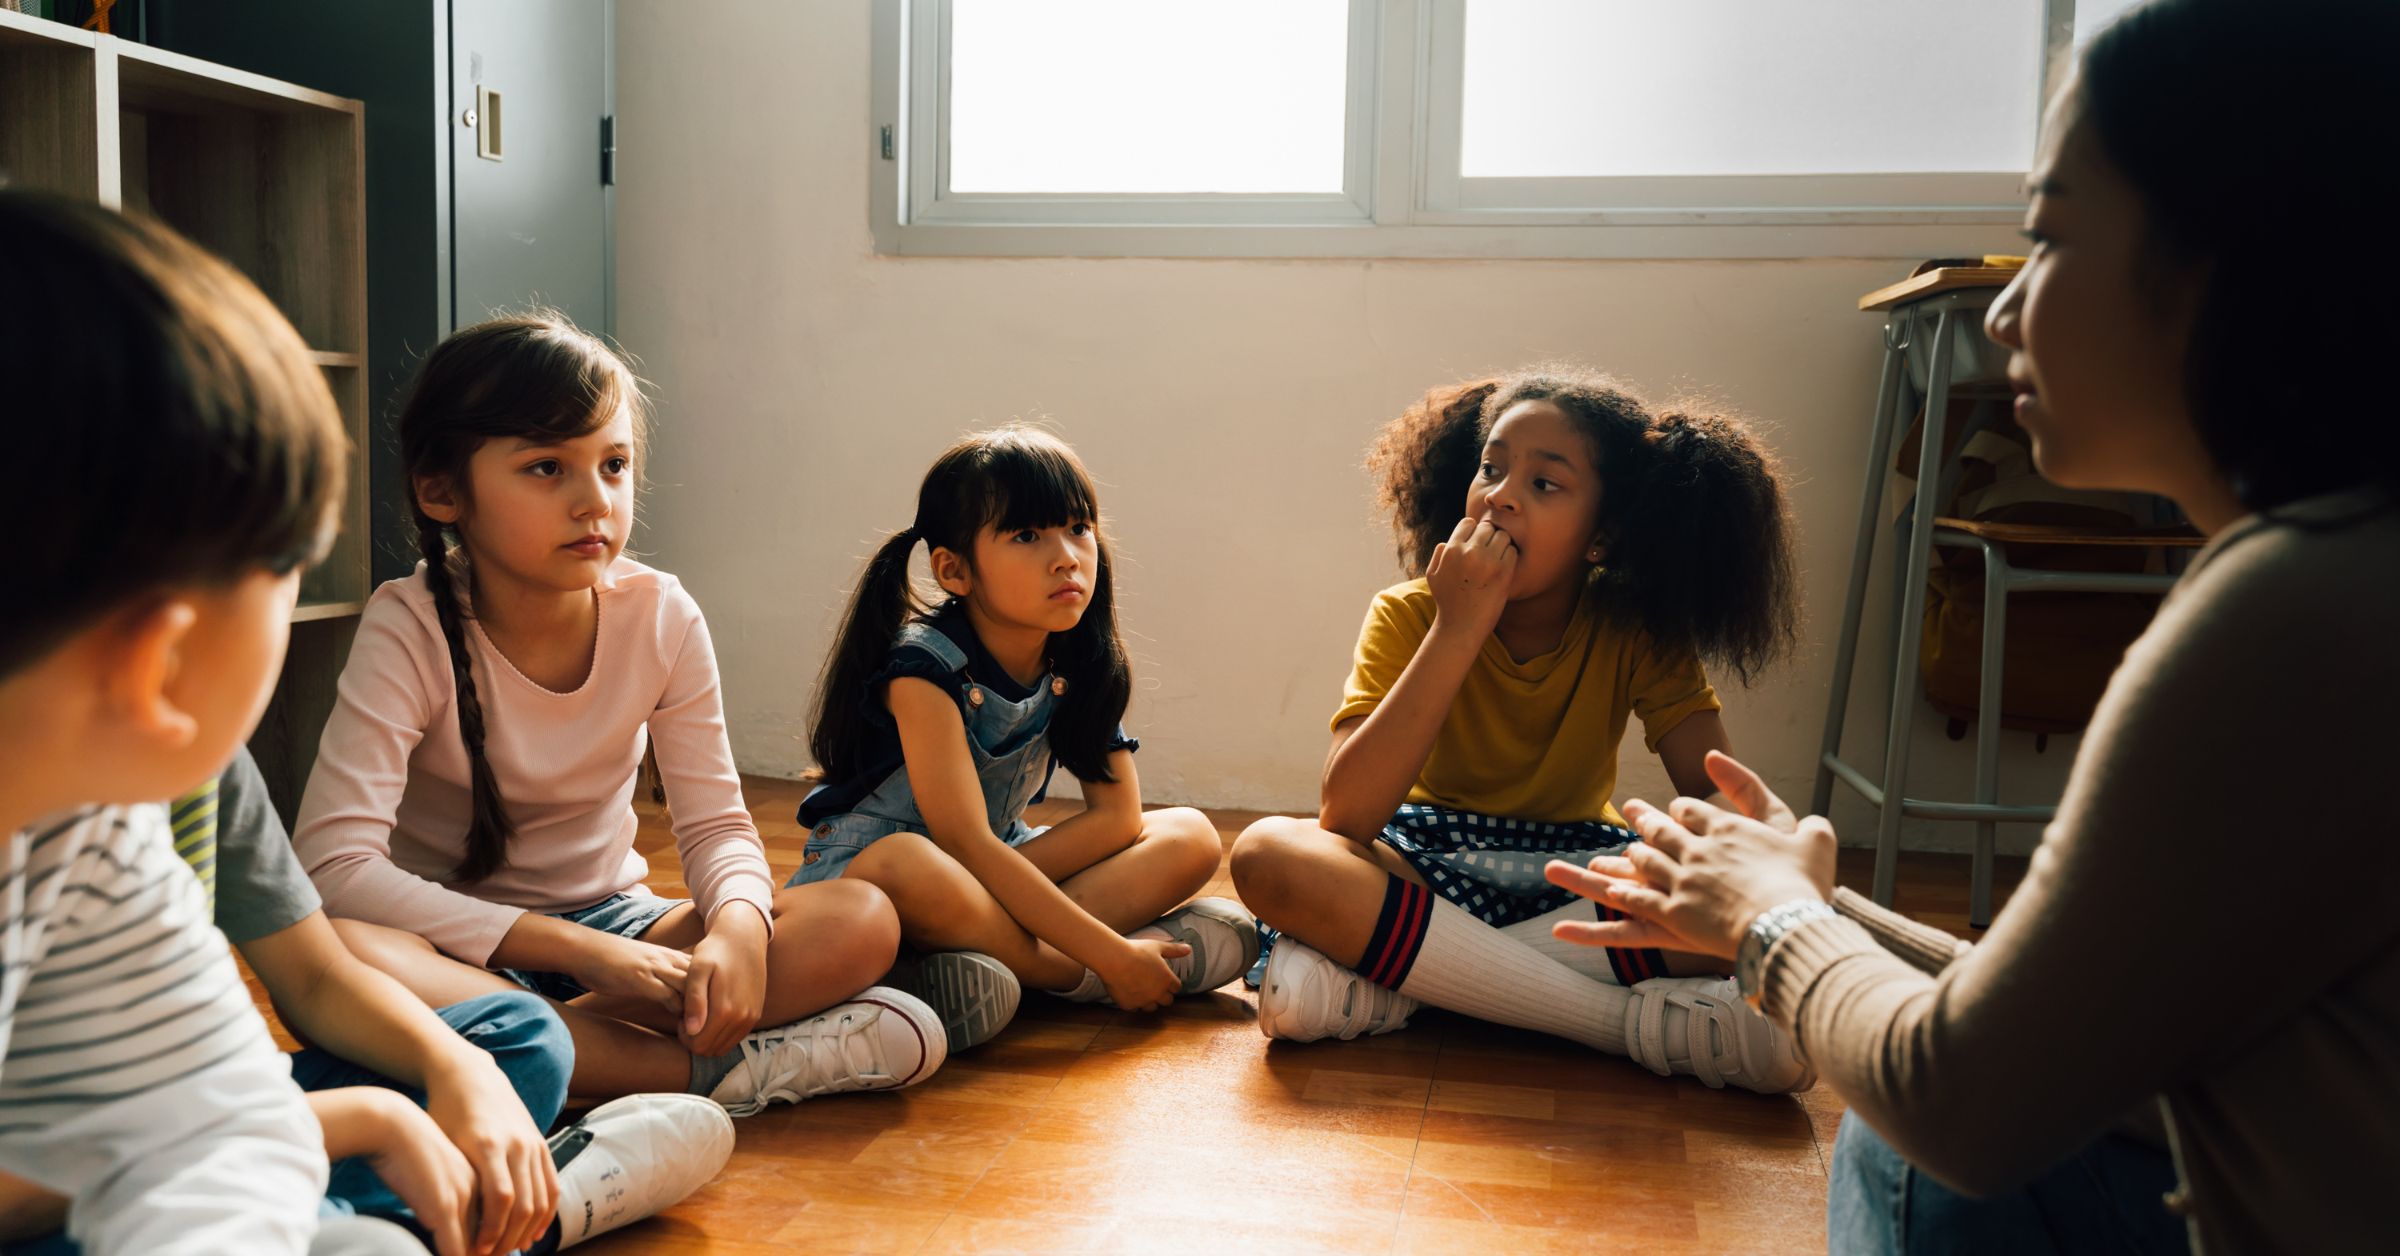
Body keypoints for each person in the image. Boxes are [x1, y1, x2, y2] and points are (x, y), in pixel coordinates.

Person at [1543, 0, 2400, 1249]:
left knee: (1912, 1154)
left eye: (2046, 238)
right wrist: (1803, 899)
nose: (2002, 315)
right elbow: (2070, 1019)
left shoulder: (2295, 612)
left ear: (2225, 252)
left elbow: (1965, 1095)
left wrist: (1773, 923)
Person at [294, 314, 948, 1115]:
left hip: (619, 925)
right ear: (442, 492)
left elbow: (715, 829)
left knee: (859, 917)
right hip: (452, 944)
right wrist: (571, 951)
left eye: (613, 464)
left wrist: (740, 929)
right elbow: (334, 868)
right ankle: (719, 1071)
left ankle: (539, 1056)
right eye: (545, 468)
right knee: (345, 954)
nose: (593, 501)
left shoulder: (661, 615)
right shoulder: (406, 626)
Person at [1230, 371, 1811, 1092]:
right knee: (1266, 855)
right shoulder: (1409, 614)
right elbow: (1346, 817)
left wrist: (1760, 883)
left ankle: (1411, 982)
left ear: (1602, 536)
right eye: (1493, 468)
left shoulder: (1637, 632)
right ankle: (1624, 1024)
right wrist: (1458, 628)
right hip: (1426, 863)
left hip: (1577, 874)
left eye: (1545, 484)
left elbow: (1725, 804)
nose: (1501, 494)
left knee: (1756, 895)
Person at [789, 426, 1253, 1040]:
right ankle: (1074, 974)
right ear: (954, 571)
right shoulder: (923, 670)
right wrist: (1108, 956)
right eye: (1028, 536)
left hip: (991, 863)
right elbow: (960, 844)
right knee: (908, 862)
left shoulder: (1079, 659)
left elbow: (1117, 818)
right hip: (883, 878)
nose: (1066, 555)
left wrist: (1022, 877)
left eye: (1078, 528)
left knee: (1189, 834)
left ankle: (970, 967)